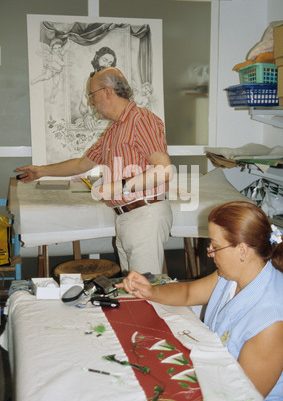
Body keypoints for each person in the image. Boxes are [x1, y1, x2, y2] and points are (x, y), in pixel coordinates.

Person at [117, 201, 283, 401]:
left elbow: (241, 400)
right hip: (217, 380)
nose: (209, 252)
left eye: (215, 247)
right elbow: (189, 292)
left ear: (242, 250)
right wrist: (151, 291)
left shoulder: (272, 322)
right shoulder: (234, 274)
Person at [15, 67, 173, 275]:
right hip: (126, 217)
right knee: (132, 290)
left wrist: (118, 186)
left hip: (145, 215)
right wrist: (41, 171)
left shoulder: (140, 120)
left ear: (107, 91)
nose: (91, 102)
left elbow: (164, 171)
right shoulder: (114, 130)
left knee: (144, 291)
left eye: (92, 95)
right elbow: (82, 164)